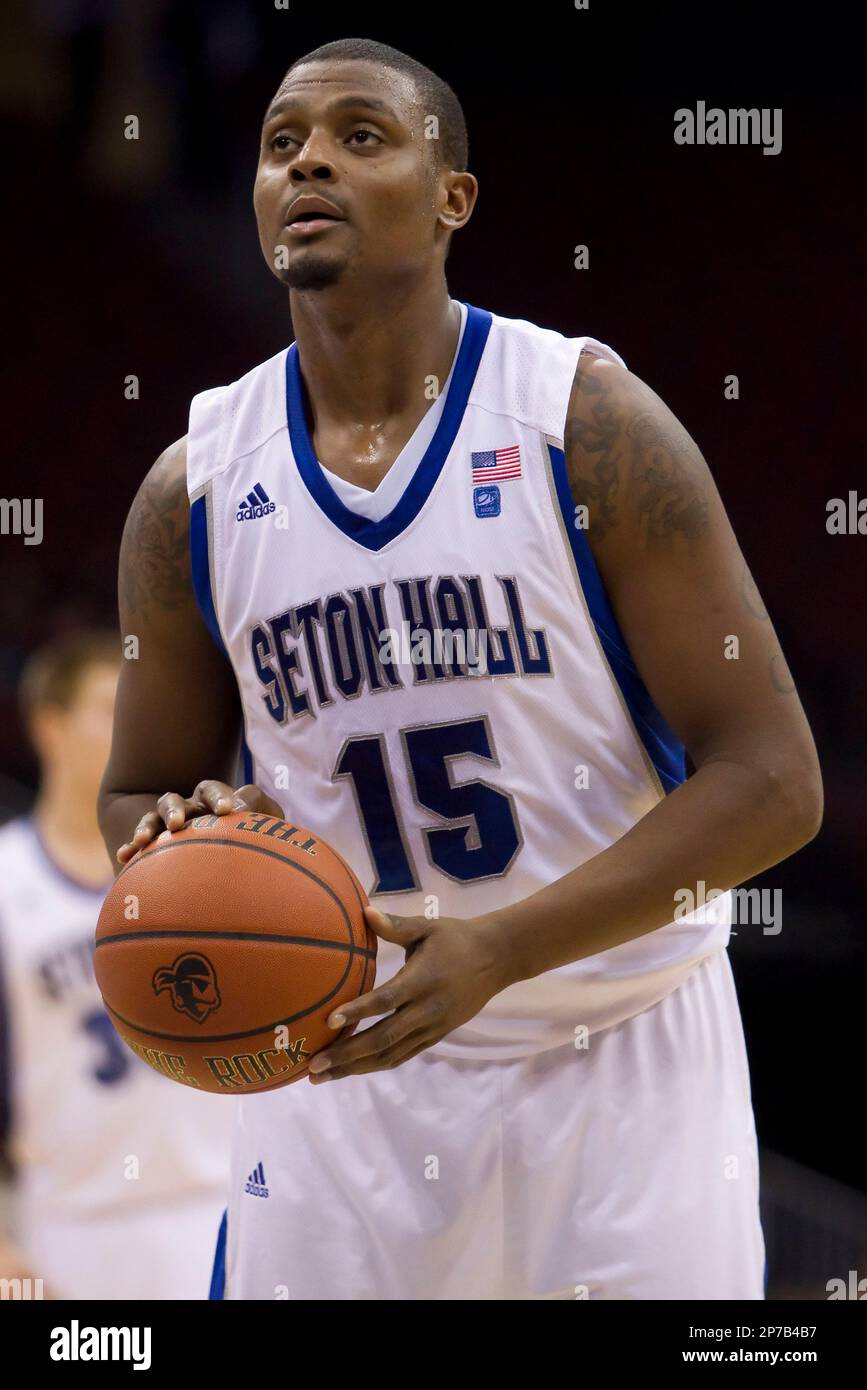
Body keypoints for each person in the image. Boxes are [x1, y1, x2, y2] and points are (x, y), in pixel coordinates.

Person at [97, 39, 822, 1300]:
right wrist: (176, 836)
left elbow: (774, 781)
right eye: (281, 143)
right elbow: (136, 789)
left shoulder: (582, 423)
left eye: (361, 135)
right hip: (340, 1075)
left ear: (452, 197)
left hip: (621, 1059)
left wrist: (504, 947)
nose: (309, 157)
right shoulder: (194, 490)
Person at [0, 631, 234, 1299]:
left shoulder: (206, 874)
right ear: (49, 726)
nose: (132, 729)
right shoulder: (5, 883)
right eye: (109, 708)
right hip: (73, 1230)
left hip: (228, 1202)